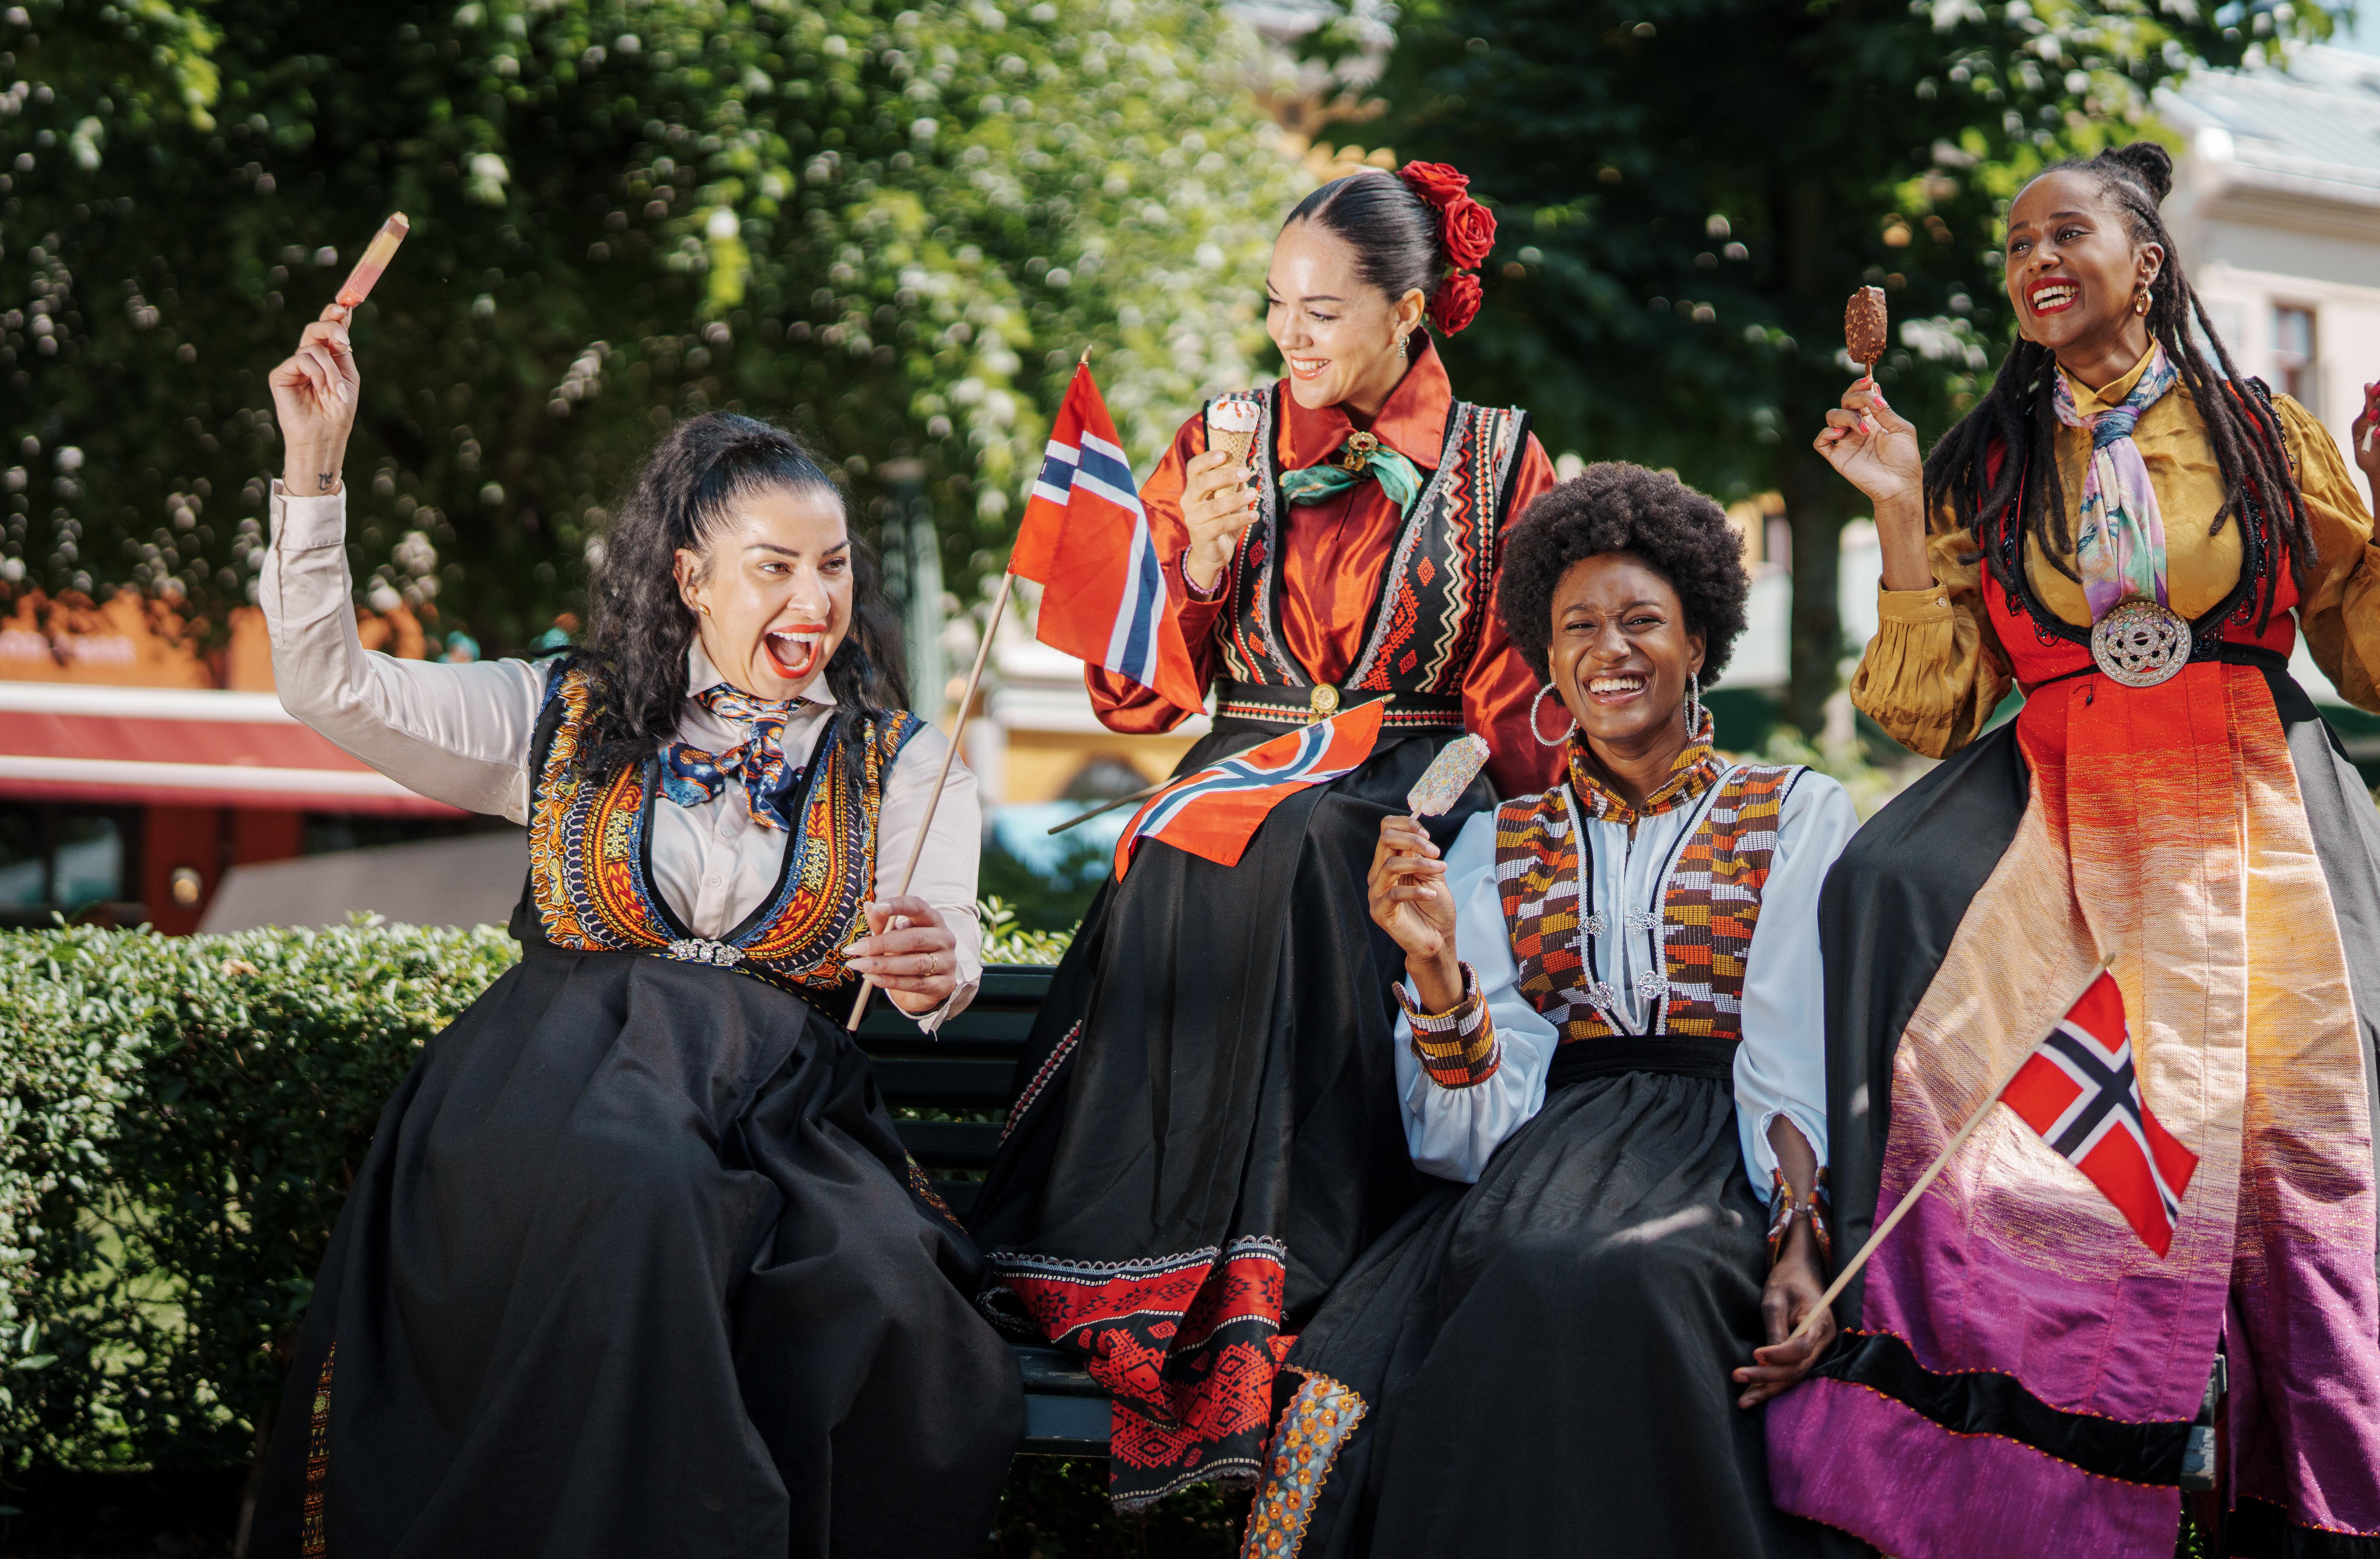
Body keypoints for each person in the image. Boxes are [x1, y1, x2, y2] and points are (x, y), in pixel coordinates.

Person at [1764, 141, 2380, 1559]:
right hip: (2056, 815)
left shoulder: (2264, 433)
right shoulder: (1981, 458)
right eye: (2011, 248)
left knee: (2316, 1127)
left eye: (2063, 233)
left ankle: (2318, 1500)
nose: (2033, 263)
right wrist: (1888, 504)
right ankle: (1994, 1482)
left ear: (2147, 258)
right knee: (1885, 892)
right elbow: (1926, 710)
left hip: (2254, 817)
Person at [243, 303, 1020, 1558]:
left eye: (832, 566)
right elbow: (326, 684)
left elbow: (938, 951)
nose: (813, 599)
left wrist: (937, 968)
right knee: (643, 1198)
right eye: (774, 565)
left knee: (883, 1295)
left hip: (781, 1128)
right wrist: (316, 472)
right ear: (689, 575)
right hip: (554, 1094)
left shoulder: (909, 763)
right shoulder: (555, 714)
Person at [965, 162, 1558, 1508]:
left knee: (1312, 850)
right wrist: (1201, 566)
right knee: (1199, 838)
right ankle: (1150, 1260)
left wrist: (1459, 781)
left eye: (1324, 311)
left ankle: (1299, 1260)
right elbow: (1138, 686)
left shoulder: (1499, 457)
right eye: (1277, 306)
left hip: (1419, 761)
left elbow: (1520, 696)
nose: (1291, 337)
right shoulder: (1223, 439)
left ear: (1411, 311)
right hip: (1246, 747)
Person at [1235, 464, 1863, 1559]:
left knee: (1634, 1273)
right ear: (1547, 656)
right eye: (1579, 626)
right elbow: (1468, 1136)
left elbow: (1791, 1045)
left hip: (1723, 1151)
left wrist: (1800, 1237)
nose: (1610, 650)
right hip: (1542, 1154)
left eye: (1642, 622)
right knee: (1528, 1267)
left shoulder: (1796, 810)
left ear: (1699, 642)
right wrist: (1435, 971)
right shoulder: (1497, 840)